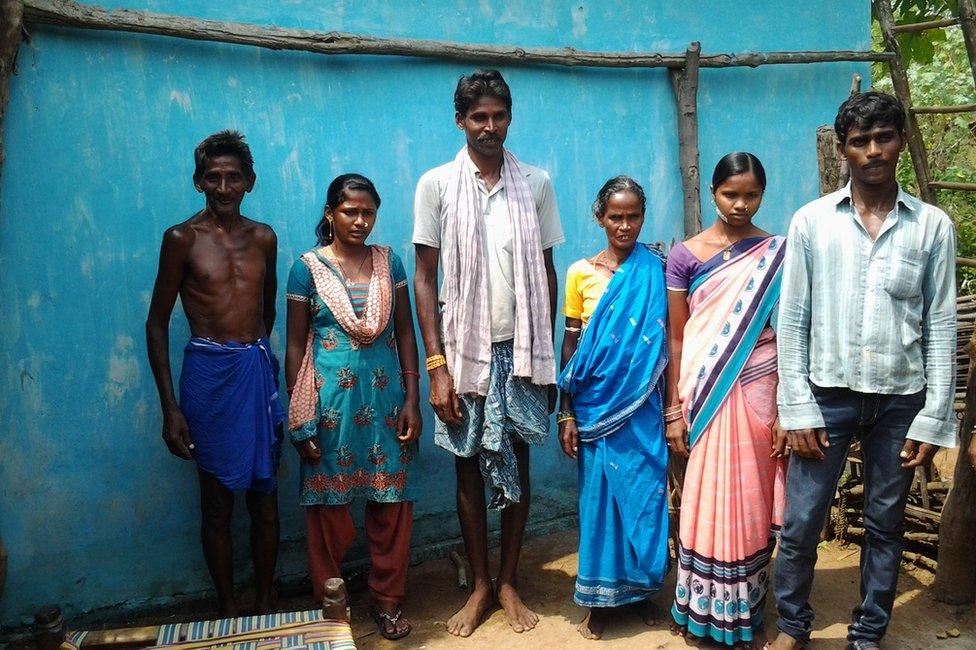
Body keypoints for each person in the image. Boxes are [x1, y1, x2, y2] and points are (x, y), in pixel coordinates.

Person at [769, 91, 957, 650]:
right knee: (802, 522)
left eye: (884, 138)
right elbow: (793, 319)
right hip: (827, 396)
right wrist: (796, 405)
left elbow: (941, 324)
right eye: (860, 141)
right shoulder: (812, 222)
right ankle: (792, 625)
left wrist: (932, 418)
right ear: (844, 149)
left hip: (901, 400)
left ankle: (869, 631)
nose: (873, 151)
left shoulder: (932, 227)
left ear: (900, 141)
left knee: (885, 523)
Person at [412, 69, 563, 636]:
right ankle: (478, 585)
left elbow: (545, 273)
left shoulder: (537, 183)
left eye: (498, 115)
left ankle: (508, 582)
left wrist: (541, 357)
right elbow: (426, 279)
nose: (489, 126)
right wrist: (437, 366)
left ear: (509, 118)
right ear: (460, 121)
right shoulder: (437, 185)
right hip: (461, 353)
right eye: (479, 117)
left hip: (520, 350)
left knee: (518, 462)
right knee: (467, 466)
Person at [146, 130, 283, 616]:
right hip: (207, 378)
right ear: (198, 182)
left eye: (233, 178)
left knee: (265, 498)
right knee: (217, 502)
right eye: (213, 178)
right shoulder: (181, 238)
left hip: (255, 371)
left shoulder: (264, 237)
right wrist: (170, 408)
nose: (224, 187)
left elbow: (266, 314)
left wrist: (255, 360)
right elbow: (157, 322)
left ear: (249, 181)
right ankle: (228, 608)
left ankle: (266, 601)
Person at [285, 173, 422, 641]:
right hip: (328, 407)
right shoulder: (307, 268)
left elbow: (405, 333)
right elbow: (294, 345)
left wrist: (412, 399)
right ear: (331, 214)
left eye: (368, 213)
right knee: (329, 511)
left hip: (385, 403)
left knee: (391, 505)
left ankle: (387, 602)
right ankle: (332, 608)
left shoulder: (390, 263)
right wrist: (299, 415)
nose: (361, 221)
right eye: (351, 212)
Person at [665, 152, 787, 649]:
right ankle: (702, 608)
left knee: (753, 501)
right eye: (730, 194)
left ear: (762, 195)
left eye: (751, 195)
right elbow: (678, 338)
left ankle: (748, 605)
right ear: (713, 192)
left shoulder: (777, 251)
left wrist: (789, 408)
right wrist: (674, 409)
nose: (740, 205)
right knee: (706, 496)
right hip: (704, 389)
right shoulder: (685, 255)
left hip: (762, 387)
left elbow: (788, 328)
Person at [557, 176, 670, 641]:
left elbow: (665, 341)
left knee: (643, 496)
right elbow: (571, 345)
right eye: (615, 217)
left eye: (633, 216)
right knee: (600, 500)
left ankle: (642, 591)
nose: (624, 226)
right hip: (595, 406)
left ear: (643, 217)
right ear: (599, 217)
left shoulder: (655, 270)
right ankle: (599, 603)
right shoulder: (579, 272)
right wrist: (566, 412)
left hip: (642, 405)